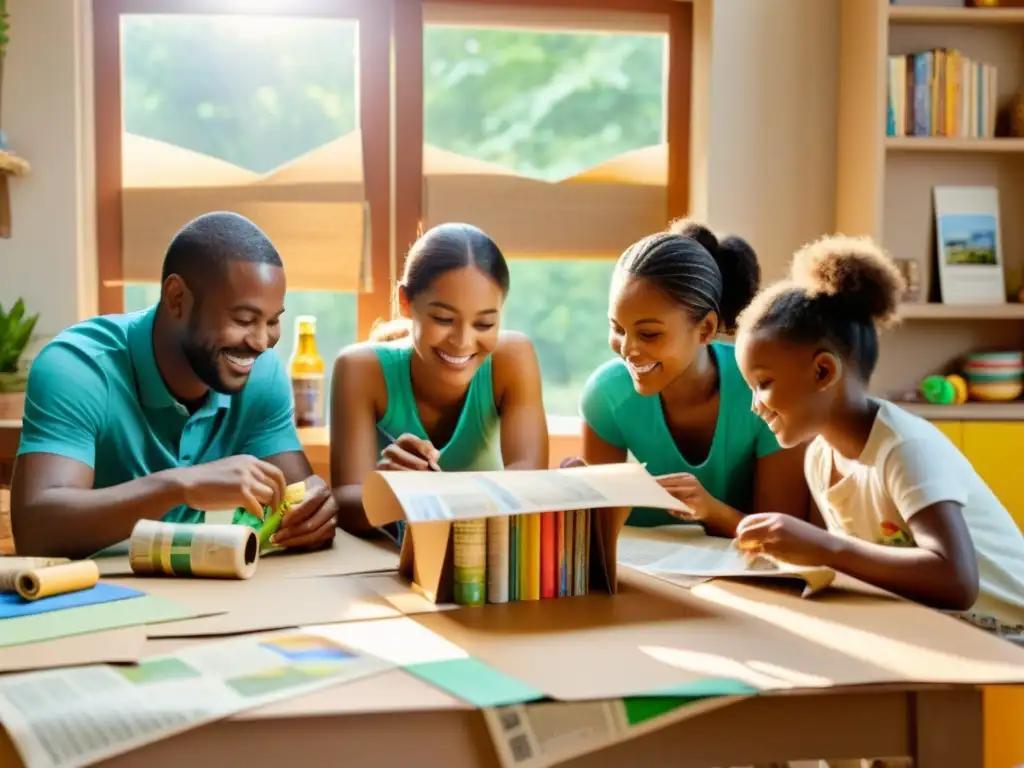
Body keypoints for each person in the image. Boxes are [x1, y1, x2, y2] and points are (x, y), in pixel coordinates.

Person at [733, 233, 1024, 634]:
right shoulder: (821, 458)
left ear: (823, 372)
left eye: (762, 383)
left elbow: (956, 582)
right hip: (939, 634)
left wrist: (824, 548)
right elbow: (866, 570)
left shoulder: (905, 449)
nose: (755, 404)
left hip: (1009, 639)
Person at [11, 212, 338, 559]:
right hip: (93, 595)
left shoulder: (262, 375)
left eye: (272, 321)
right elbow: (36, 531)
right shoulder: (78, 368)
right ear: (177, 297)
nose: (261, 342)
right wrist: (181, 486)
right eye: (244, 319)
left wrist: (314, 515)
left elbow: (297, 500)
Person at [569, 219, 809, 536]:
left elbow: (787, 536)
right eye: (617, 328)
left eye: (649, 334)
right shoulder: (607, 394)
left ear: (706, 329)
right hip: (645, 570)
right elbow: (600, 530)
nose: (627, 349)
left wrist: (711, 511)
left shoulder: (765, 391)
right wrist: (576, 497)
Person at [330, 222, 548, 537]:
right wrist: (390, 489)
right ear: (405, 302)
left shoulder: (512, 358)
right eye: (444, 319)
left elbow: (531, 483)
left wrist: (434, 491)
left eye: (485, 323)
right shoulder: (360, 369)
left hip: (486, 557)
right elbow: (345, 503)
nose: (462, 341)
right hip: (386, 565)